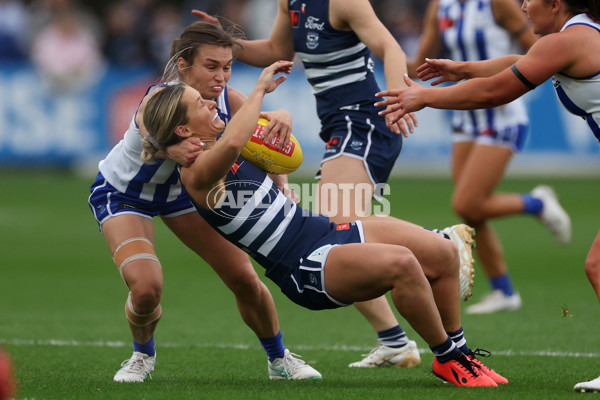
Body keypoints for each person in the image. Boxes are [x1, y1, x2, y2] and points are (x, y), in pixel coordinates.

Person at [141, 61, 507, 387]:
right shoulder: (196, 173)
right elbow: (235, 139)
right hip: (303, 267)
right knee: (404, 265)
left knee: (442, 252)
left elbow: (268, 148)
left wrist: (280, 114)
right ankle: (448, 359)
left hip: (322, 231)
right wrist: (260, 90)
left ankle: (462, 352)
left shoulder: (216, 140)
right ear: (184, 130)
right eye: (199, 105)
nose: (210, 102)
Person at [192, 0, 433, 369]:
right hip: (339, 126)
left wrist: (399, 97)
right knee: (334, 235)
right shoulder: (291, 3)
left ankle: (441, 245)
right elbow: (276, 51)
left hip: (364, 120)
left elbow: (391, 48)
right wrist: (227, 44)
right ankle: (396, 339)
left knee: (333, 234)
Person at [373, 0, 599, 391]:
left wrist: (424, 97)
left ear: (557, 4)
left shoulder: (568, 40)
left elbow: (496, 91)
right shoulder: (575, 37)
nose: (524, 5)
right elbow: (522, 60)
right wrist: (463, 69)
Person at [88, 21, 321, 382]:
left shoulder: (227, 100)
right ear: (183, 65)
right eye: (211, 66)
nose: (221, 76)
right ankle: (141, 356)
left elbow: (263, 145)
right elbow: (149, 129)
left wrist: (281, 156)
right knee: (147, 288)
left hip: (183, 197)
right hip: (125, 195)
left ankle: (280, 360)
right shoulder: (160, 97)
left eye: (227, 67)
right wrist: (169, 145)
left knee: (243, 277)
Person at [403, 0, 563, 314]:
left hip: (501, 112)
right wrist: (375, 43)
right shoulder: (442, 5)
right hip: (467, 116)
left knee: (467, 203)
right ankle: (504, 291)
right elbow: (419, 64)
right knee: (471, 210)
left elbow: (537, 55)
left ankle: (538, 204)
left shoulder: (497, 3)